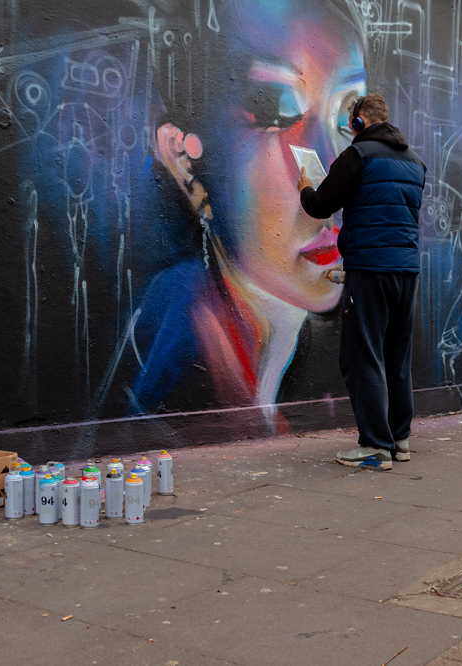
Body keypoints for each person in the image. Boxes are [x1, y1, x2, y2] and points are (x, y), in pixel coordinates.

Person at [125, 1, 368, 419]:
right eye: (274, 108)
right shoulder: (178, 345)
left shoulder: (295, 358)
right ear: (185, 162)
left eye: (349, 118)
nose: (333, 168)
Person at [297, 93, 426, 470]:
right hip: (407, 271)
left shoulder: (358, 155)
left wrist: (306, 186)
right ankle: (399, 439)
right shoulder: (415, 163)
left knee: (362, 355)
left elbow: (321, 205)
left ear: (358, 122)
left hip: (370, 271)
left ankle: (374, 446)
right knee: (395, 356)